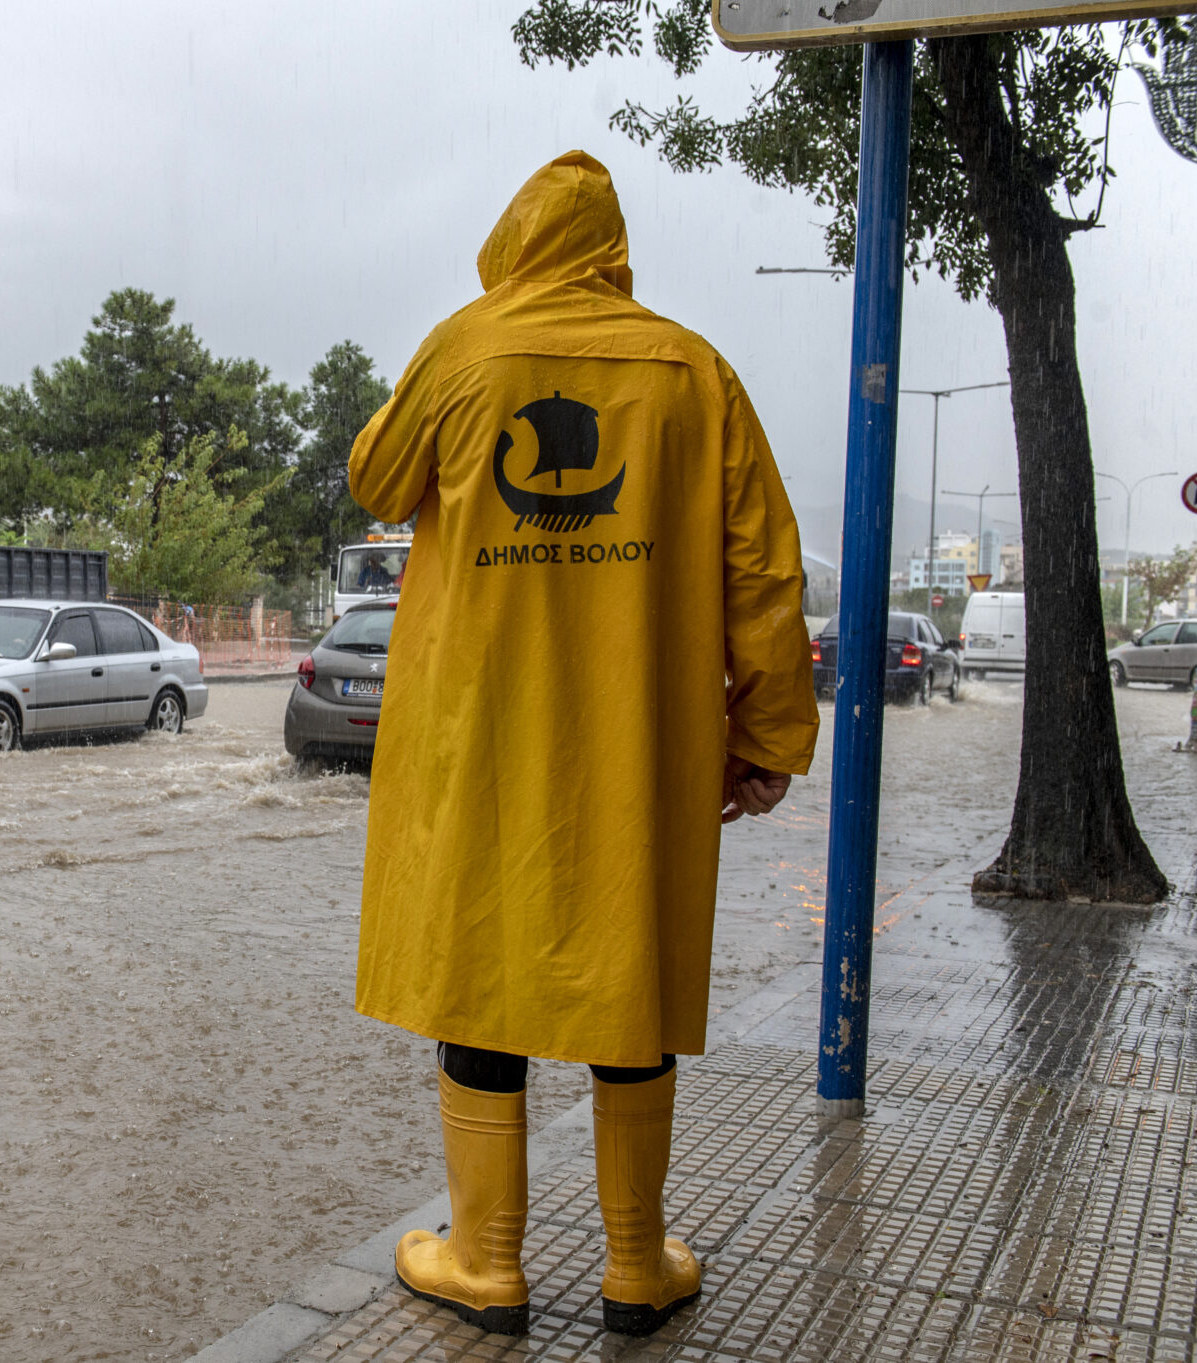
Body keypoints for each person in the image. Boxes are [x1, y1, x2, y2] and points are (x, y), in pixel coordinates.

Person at [347, 151, 817, 1338]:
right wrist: (760, 734)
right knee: (630, 981)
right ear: (609, 251)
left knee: (482, 970)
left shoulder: (464, 347)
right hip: (640, 746)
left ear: (511, 243)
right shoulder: (693, 371)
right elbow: (763, 573)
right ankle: (632, 1264)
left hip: (483, 743)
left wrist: (463, 355)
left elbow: (374, 477)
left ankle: (485, 1262)